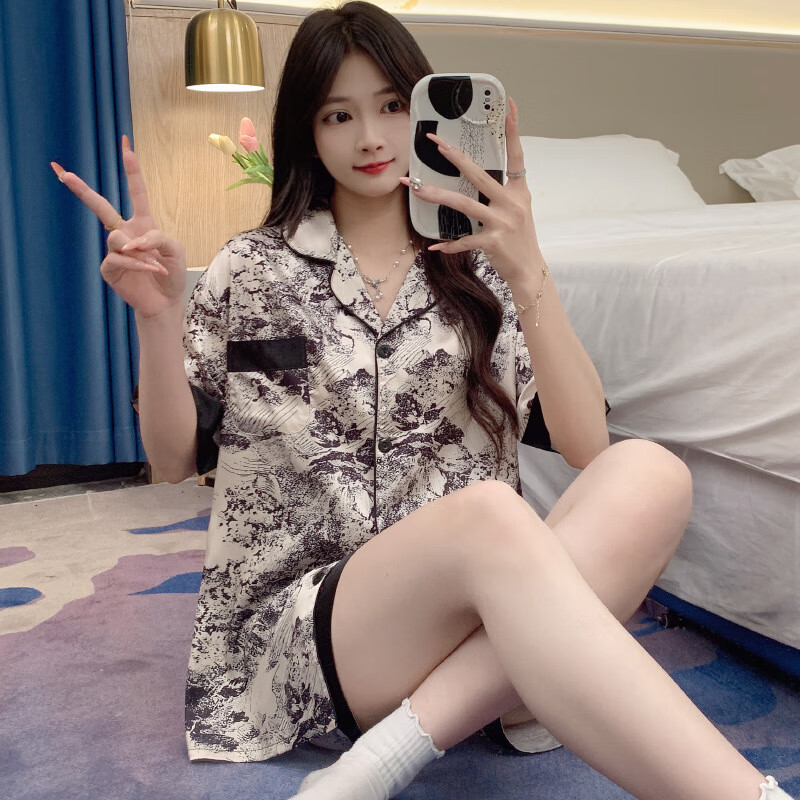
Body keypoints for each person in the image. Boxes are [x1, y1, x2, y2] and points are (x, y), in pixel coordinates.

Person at [51, 3, 794, 799]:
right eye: (339, 115)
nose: (371, 137)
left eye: (392, 106)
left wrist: (529, 269)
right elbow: (172, 460)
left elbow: (587, 447)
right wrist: (158, 317)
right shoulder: (252, 267)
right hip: (311, 636)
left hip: (468, 625)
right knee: (493, 516)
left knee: (652, 473)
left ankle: (385, 758)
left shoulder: (478, 269)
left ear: (429, 114)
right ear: (307, 130)